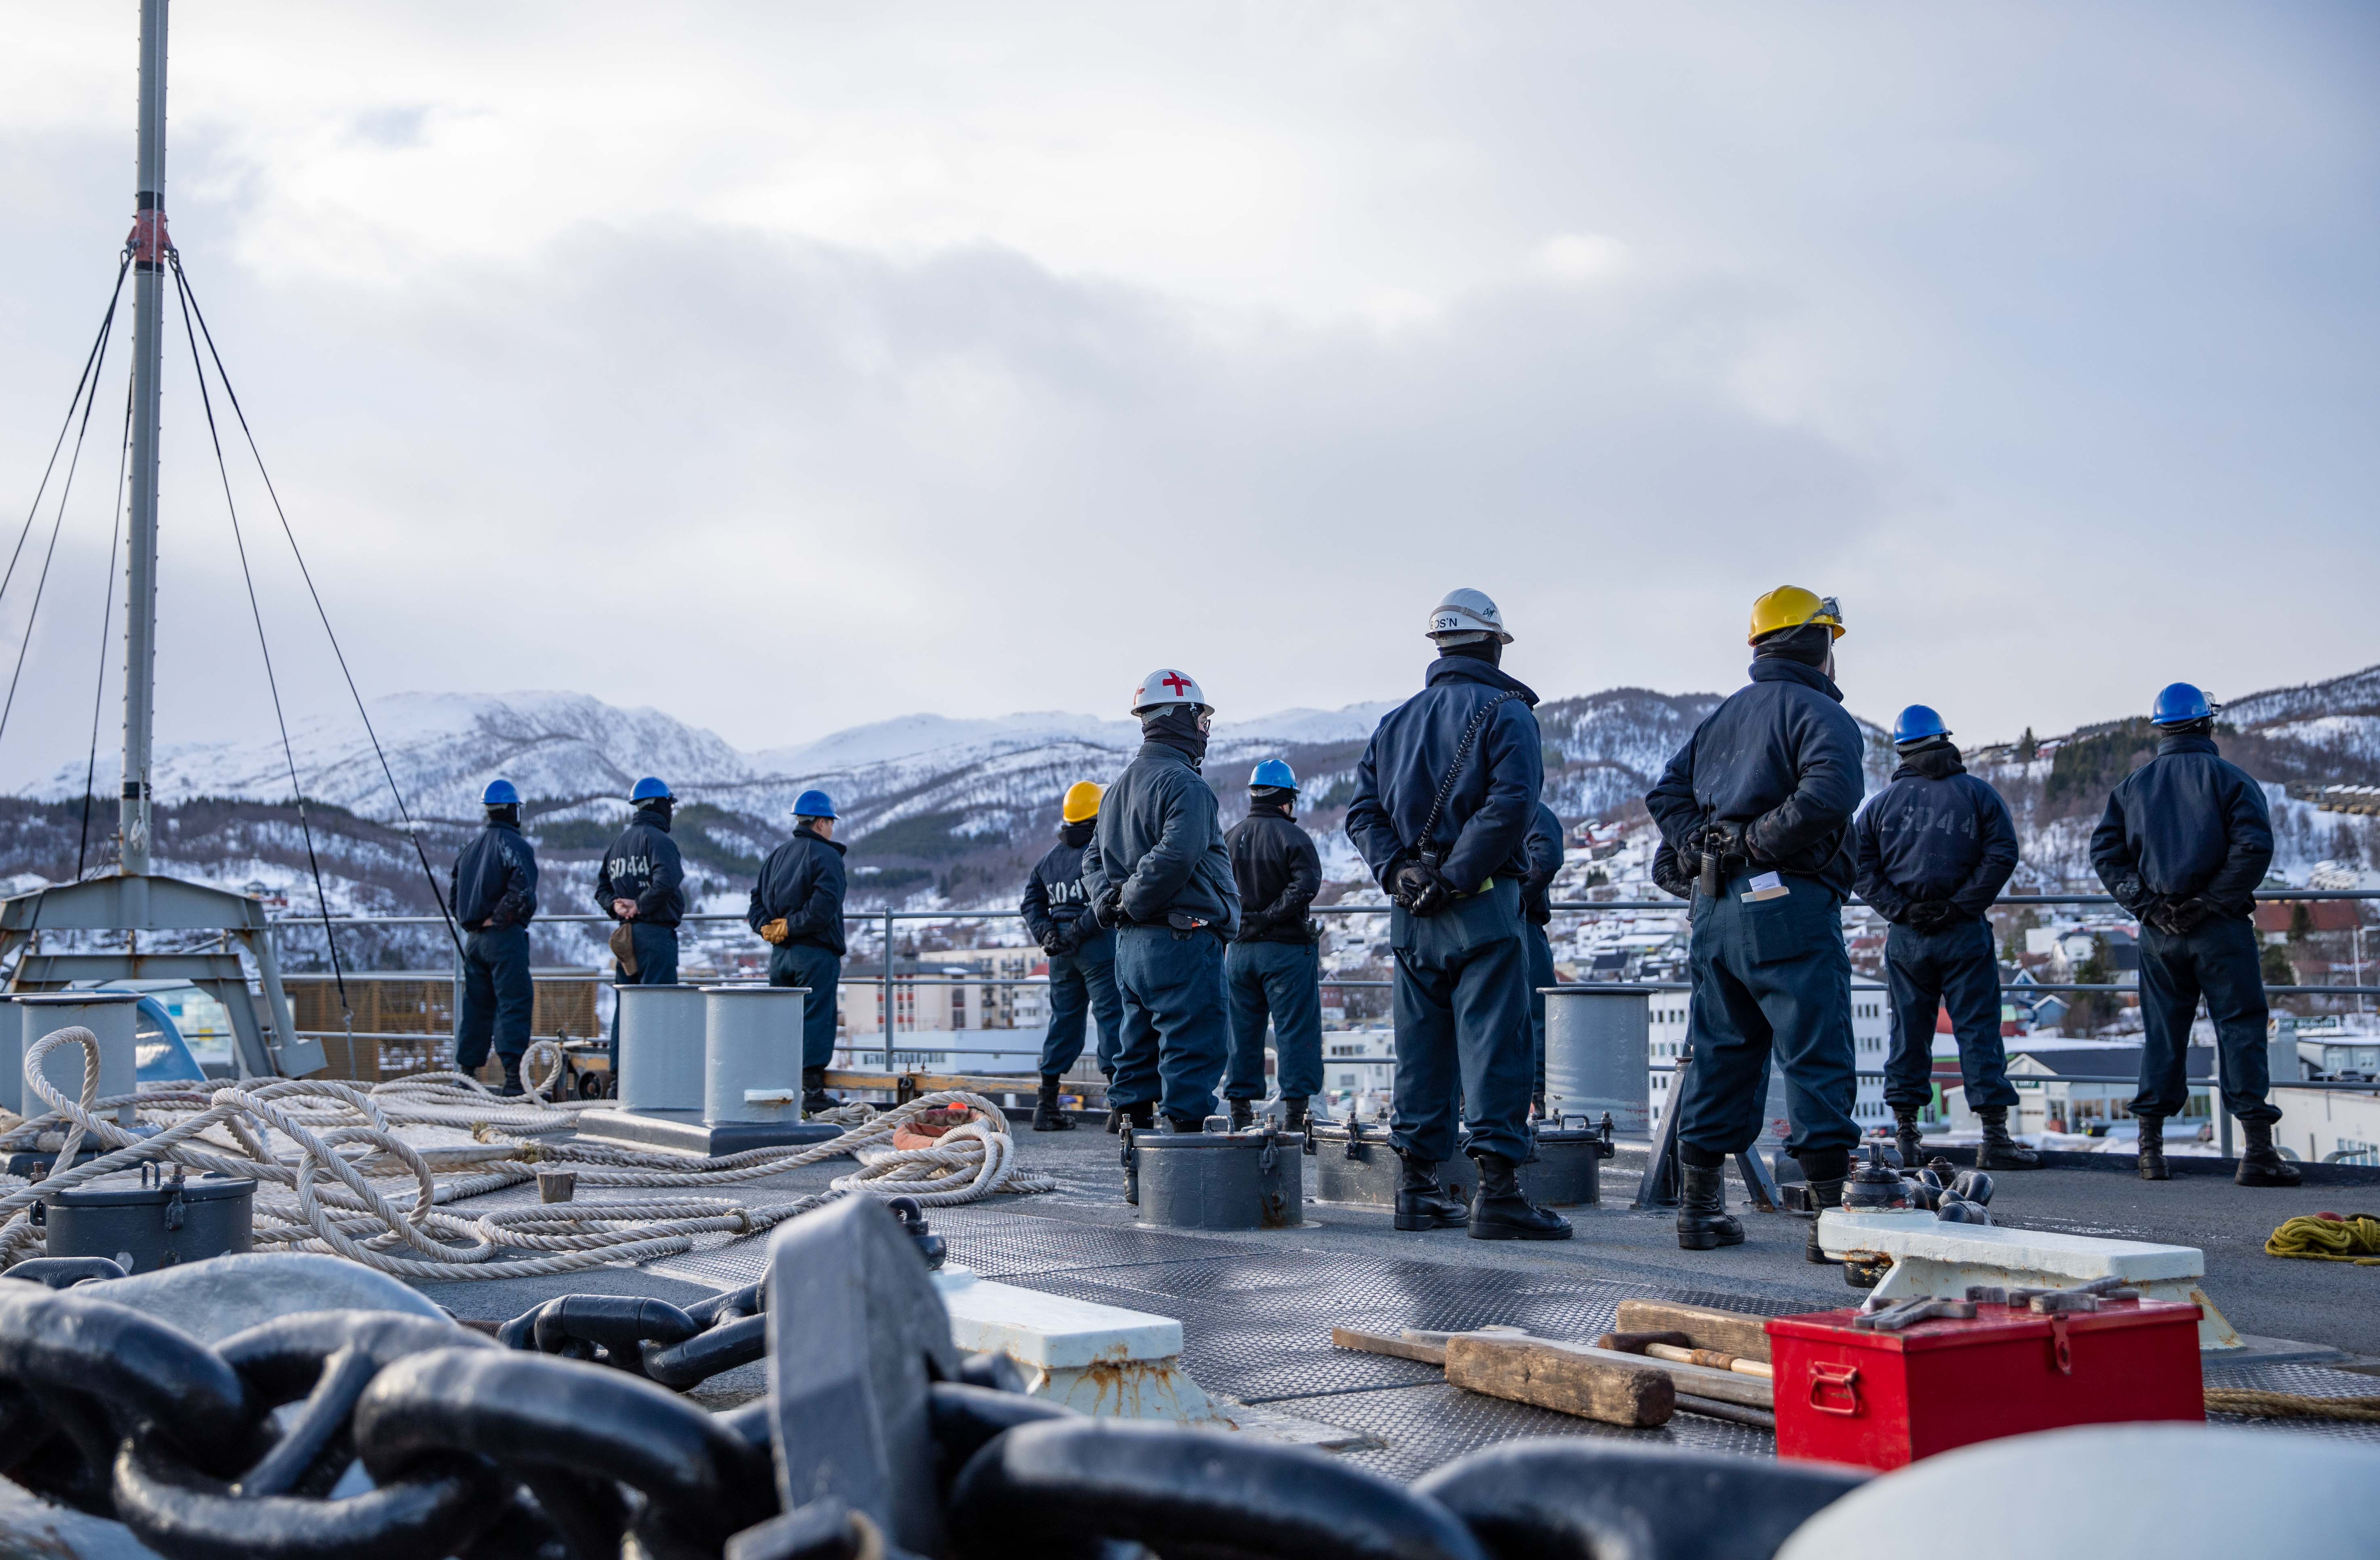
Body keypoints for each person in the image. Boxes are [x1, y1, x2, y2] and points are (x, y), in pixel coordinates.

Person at [1346, 588, 1570, 1242]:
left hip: (1411, 919)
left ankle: (1415, 1192)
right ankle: (1498, 1194)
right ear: (1495, 644)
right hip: (1481, 909)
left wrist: (1400, 872)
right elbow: (1511, 804)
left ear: (1437, 647)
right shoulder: (1507, 713)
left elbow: (1363, 814)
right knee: (1497, 1046)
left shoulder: (1393, 724)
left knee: (1422, 1051)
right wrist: (1456, 876)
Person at [1646, 586, 1864, 1257]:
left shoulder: (1723, 719)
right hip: (1786, 905)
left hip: (1714, 913)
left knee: (1719, 1050)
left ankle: (1699, 1210)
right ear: (1817, 643)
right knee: (1813, 1049)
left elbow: (1665, 794)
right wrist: (1755, 843)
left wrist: (1701, 847)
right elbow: (1829, 793)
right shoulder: (1818, 714)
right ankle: (1831, 1221)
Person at [2090, 682, 2297, 1187]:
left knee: (2163, 1034)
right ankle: (2257, 1153)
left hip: (2158, 936)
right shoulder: (2231, 780)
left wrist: (2149, 906)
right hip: (2220, 930)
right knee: (2239, 1030)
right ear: (2207, 723)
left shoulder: (2132, 787)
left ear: (2160, 728)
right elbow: (2251, 849)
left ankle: (2150, 1150)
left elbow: (2106, 854)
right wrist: (2208, 902)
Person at [1854, 704, 2035, 1172]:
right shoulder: (1978, 794)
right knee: (1977, 1031)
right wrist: (1960, 906)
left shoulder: (1878, 806)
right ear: (1944, 740)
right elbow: (2001, 854)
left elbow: (1859, 867)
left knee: (1908, 1033)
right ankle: (1993, 1138)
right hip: (1964, 933)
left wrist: (1901, 908)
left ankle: (1907, 1137)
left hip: (1907, 938)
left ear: (1901, 749)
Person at [1081, 669, 1241, 1135]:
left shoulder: (1116, 790)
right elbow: (1175, 854)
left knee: (1136, 1051)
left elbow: (1091, 858)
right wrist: (1129, 899)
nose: (1204, 730)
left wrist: (1108, 902)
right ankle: (1182, 1177)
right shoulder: (1185, 785)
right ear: (1182, 717)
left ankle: (1137, 1167)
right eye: (1201, 718)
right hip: (1183, 941)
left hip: (1131, 950)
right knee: (1192, 1050)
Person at [1222, 759, 1325, 1134]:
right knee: (1296, 1033)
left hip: (1239, 953)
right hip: (1285, 952)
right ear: (1287, 798)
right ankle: (1297, 1119)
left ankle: (1240, 1115)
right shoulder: (1294, 839)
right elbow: (1306, 886)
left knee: (1242, 1034)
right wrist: (1269, 917)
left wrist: (1244, 922)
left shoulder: (1229, 837)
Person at [1020, 781, 1124, 1132]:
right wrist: (1078, 931)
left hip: (1061, 956)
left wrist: (1049, 933)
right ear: (1098, 816)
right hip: (1098, 950)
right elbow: (1109, 899)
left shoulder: (1048, 861)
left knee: (1064, 1022)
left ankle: (1046, 1106)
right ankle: (1120, 1112)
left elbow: (1031, 903)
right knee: (1112, 1021)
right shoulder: (1103, 855)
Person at [749, 791, 849, 1117]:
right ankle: (813, 1093)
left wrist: (768, 927)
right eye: (830, 823)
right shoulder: (827, 856)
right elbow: (823, 908)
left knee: (783, 1022)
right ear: (821, 823)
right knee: (817, 1017)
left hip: (780, 957)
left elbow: (755, 903)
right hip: (815, 953)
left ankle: (784, 1088)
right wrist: (793, 927)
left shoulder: (777, 856)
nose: (832, 828)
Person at [450, 778, 539, 1096]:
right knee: (513, 1003)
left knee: (476, 1006)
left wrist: (475, 921)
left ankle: (466, 1076)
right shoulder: (516, 846)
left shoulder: (470, 850)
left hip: (475, 942)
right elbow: (523, 893)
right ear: (514, 810)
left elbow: (455, 900)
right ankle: (514, 1081)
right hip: (505, 939)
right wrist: (500, 918)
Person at [597, 776, 685, 1076]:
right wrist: (641, 905)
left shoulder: (618, 845)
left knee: (628, 1006)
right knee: (660, 1008)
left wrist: (616, 905)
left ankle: (619, 1078)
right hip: (655, 935)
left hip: (626, 938)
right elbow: (667, 881)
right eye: (669, 805)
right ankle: (656, 1079)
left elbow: (602, 888)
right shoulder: (661, 842)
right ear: (661, 806)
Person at [1521, 802, 1565, 1119]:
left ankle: (1541, 1098)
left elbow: (1547, 856)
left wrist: (1511, 899)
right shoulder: (1530, 809)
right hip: (1518, 920)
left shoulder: (1531, 810)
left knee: (1538, 1015)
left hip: (1520, 922)